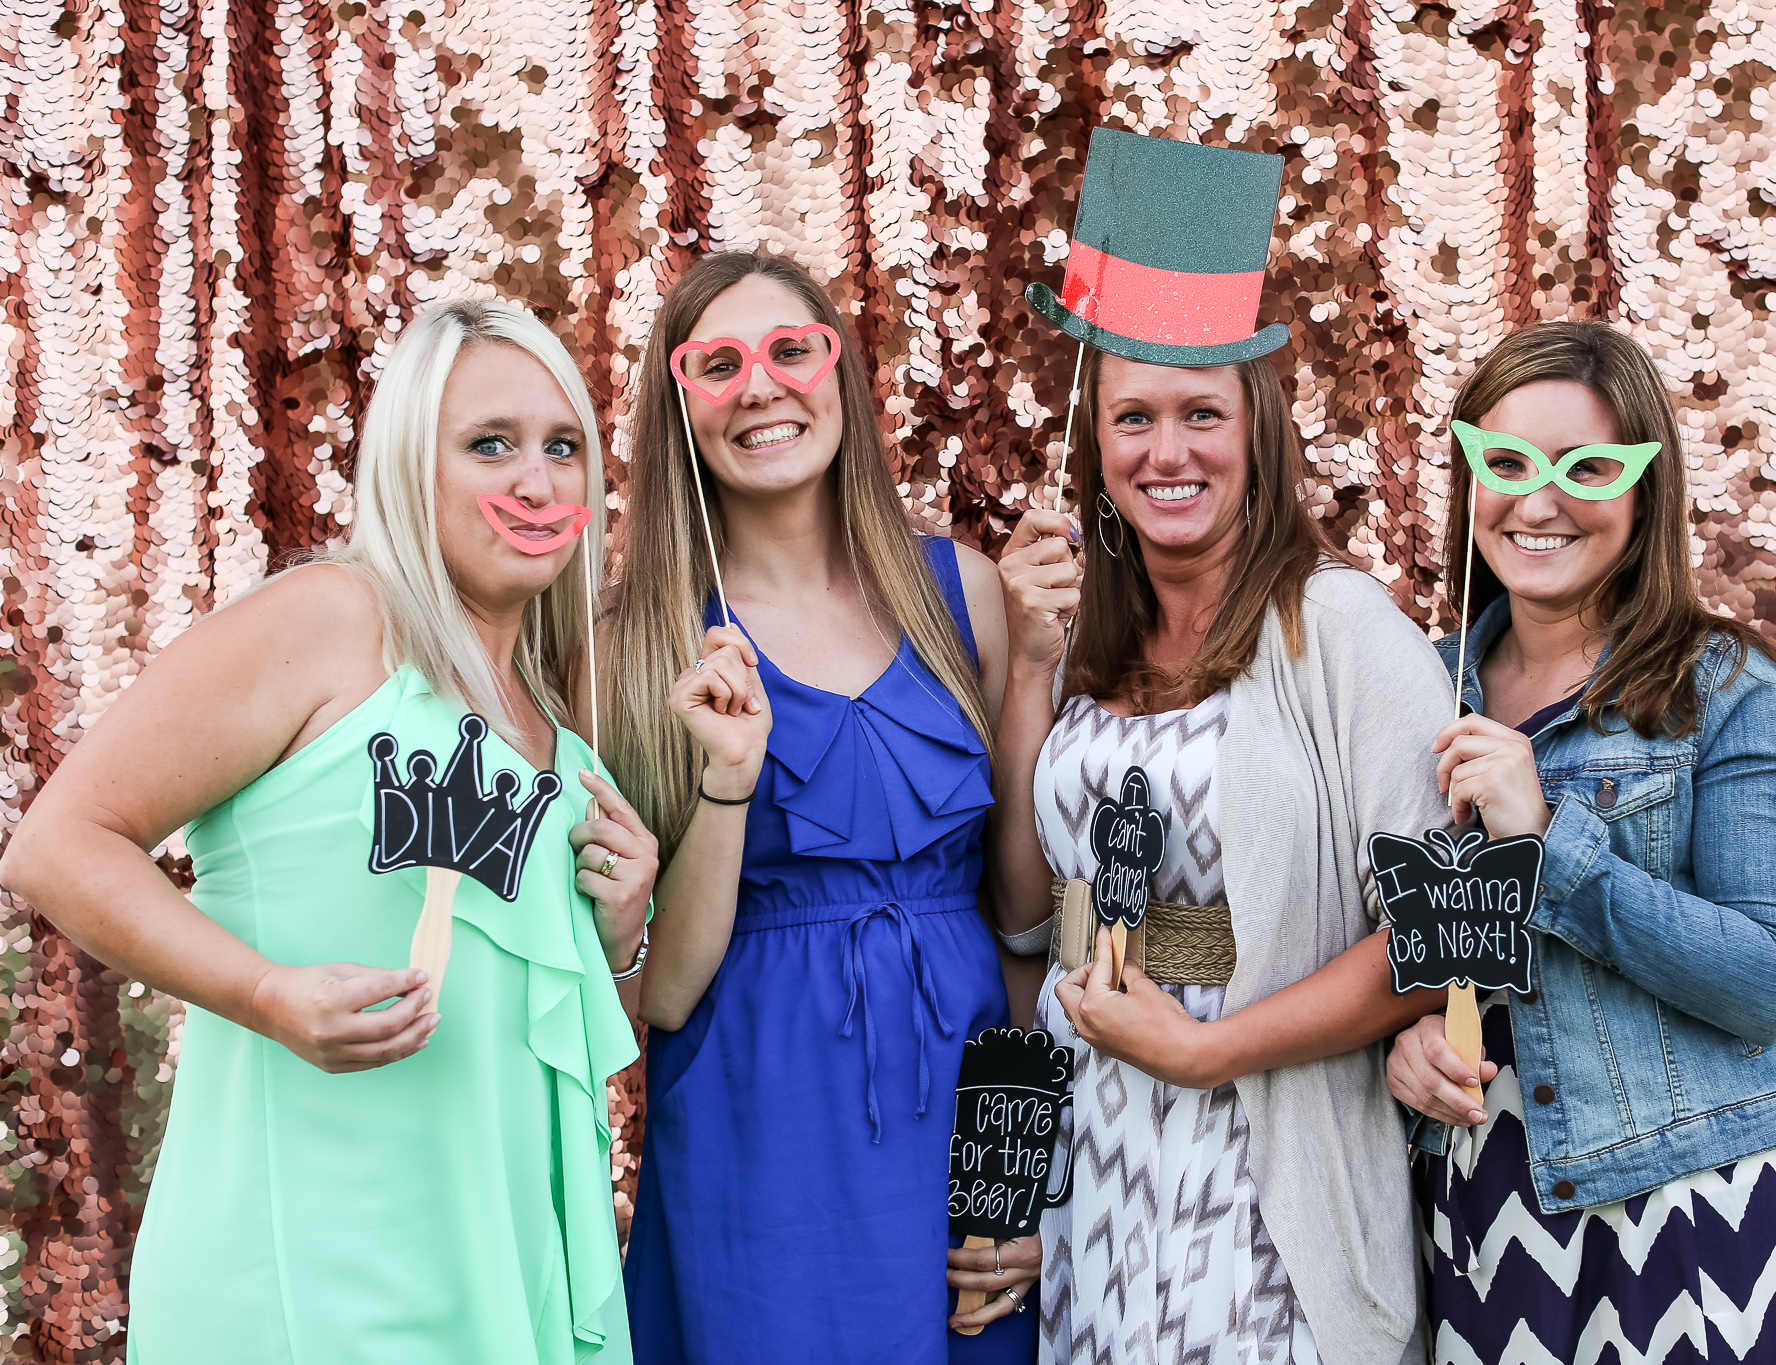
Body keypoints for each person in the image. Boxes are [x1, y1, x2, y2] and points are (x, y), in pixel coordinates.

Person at [0, 299, 657, 1362]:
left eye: (563, 447)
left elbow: (537, 1029)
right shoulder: (331, 622)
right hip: (318, 1256)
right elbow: (60, 844)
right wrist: (266, 993)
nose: (537, 482)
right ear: (409, 466)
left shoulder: (558, 726)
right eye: (490, 444)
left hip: (497, 1256)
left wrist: (619, 929)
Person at [605, 251, 1034, 1364]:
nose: (761, 386)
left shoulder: (963, 592)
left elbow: (1026, 922)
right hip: (762, 1118)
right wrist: (726, 783)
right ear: (677, 402)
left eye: (792, 350)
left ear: (839, 370)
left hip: (964, 1102)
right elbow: (657, 987)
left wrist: (1027, 1171)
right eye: (718, 364)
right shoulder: (637, 647)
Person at [992, 337, 1456, 1362]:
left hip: (1261, 1165)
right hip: (1099, 1161)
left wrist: (1206, 1053)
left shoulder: (1338, 628)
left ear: (1258, 433)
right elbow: (1030, 916)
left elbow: (1434, 937)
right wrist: (1026, 670)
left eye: (1201, 414)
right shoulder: (1086, 639)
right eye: (1132, 418)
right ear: (1096, 447)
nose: (1167, 452)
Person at [1385, 321, 1776, 1364]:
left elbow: (1766, 982)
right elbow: (1401, 947)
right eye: (1506, 464)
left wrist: (1545, 840)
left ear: (1643, 487)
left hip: (1680, 1204)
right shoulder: (1413, 686)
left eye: (1584, 466)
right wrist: (1397, 1048)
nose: (1538, 503)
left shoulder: (1726, 693)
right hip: (1477, 1201)